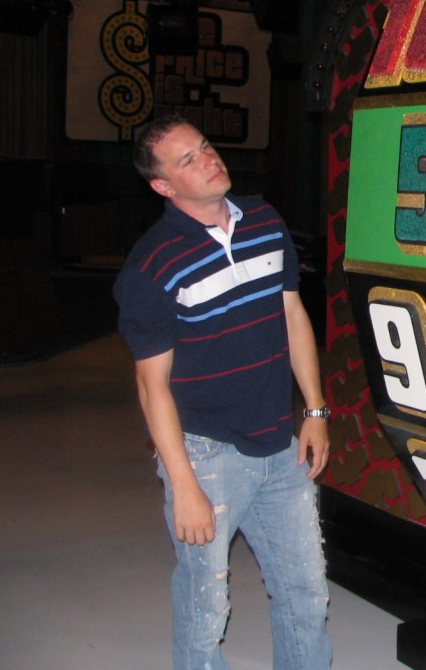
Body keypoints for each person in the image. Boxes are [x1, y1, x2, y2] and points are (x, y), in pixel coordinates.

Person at [113, 114, 333, 670]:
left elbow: (292, 314)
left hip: (279, 444)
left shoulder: (264, 219)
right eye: (187, 159)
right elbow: (151, 386)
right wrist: (183, 483)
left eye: (205, 147)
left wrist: (314, 409)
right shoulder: (152, 266)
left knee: (306, 594)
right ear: (163, 187)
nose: (209, 159)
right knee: (204, 606)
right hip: (205, 452)